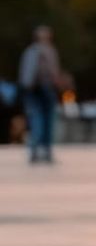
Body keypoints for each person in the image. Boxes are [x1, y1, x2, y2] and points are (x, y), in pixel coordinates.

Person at [18, 24, 64, 164]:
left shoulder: (29, 51)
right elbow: (54, 73)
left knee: (36, 119)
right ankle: (44, 150)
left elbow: (24, 75)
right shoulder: (49, 51)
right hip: (45, 89)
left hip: (32, 91)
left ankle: (36, 150)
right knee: (45, 120)